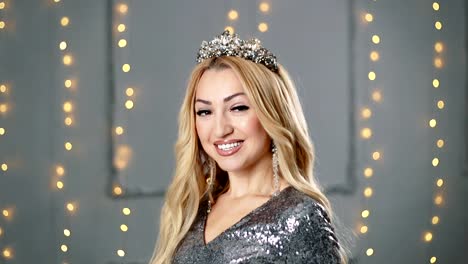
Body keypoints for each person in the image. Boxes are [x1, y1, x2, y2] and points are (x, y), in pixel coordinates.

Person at [149, 31, 348, 264]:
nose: (220, 129)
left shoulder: (301, 215)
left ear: (272, 113)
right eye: (205, 111)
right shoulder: (192, 209)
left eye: (238, 108)